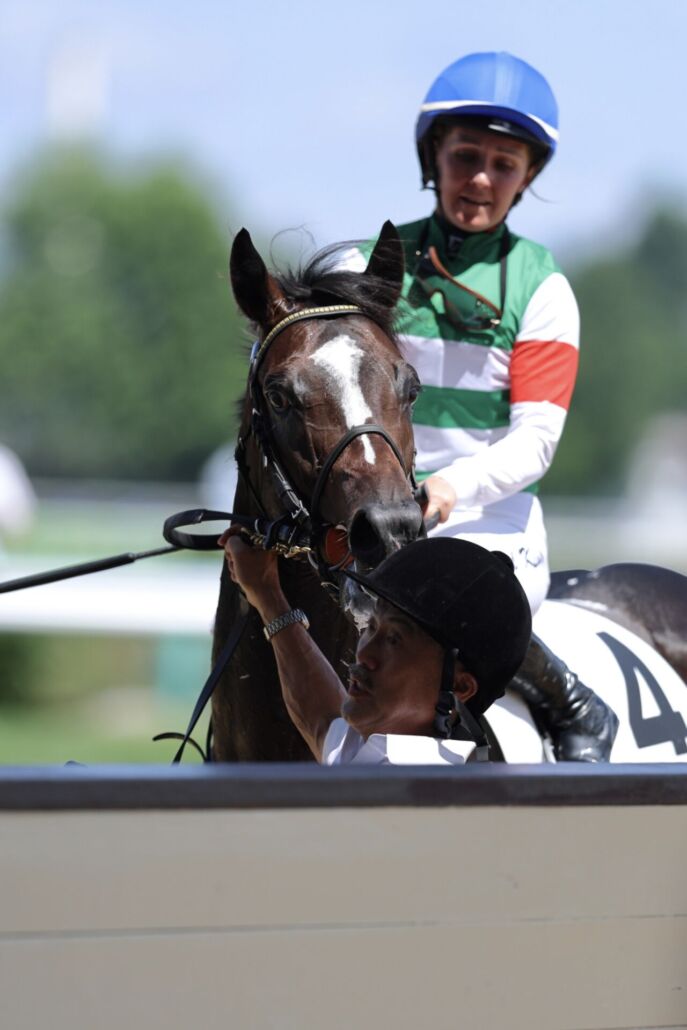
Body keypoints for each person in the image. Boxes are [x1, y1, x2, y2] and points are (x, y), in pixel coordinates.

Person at [344, 51, 617, 761]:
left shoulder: (543, 289)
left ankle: (570, 702)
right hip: (381, 506)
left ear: (526, 177)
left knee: (435, 603)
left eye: (504, 164)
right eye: (466, 156)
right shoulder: (364, 267)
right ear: (433, 156)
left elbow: (536, 441)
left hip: (488, 519)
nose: (481, 180)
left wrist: (448, 489)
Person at [220, 529, 532, 764]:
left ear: (460, 687)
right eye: (371, 627)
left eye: (394, 639)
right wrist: (265, 592)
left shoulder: (426, 797)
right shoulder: (372, 753)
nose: (364, 653)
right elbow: (321, 719)